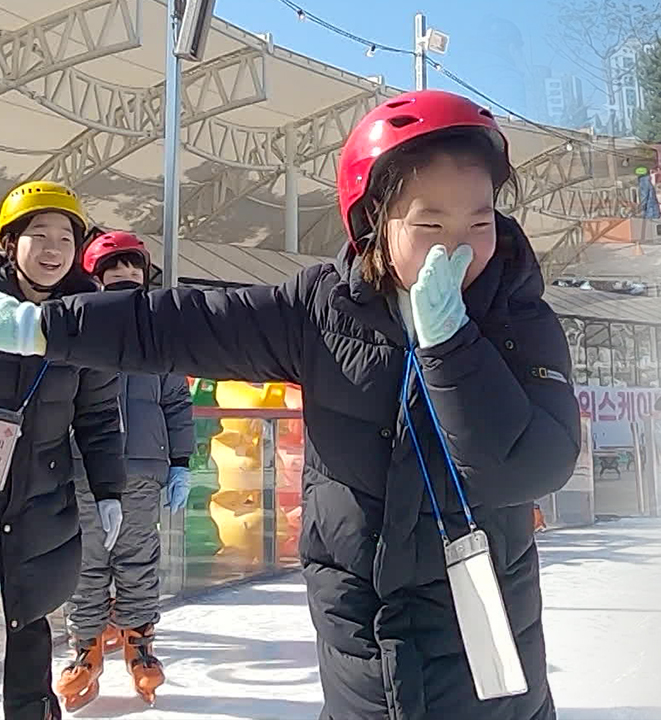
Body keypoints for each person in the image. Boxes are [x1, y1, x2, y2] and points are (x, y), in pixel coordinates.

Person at [0, 90, 580, 720]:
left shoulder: (518, 318)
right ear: (373, 224)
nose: (459, 248)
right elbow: (179, 324)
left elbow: (532, 467)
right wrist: (46, 327)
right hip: (360, 628)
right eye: (430, 224)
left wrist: (453, 345)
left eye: (480, 220)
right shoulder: (320, 312)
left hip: (482, 636)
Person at [0, 181, 125, 719]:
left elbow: (97, 416)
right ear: (10, 244)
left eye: (65, 239)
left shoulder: (85, 319)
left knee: (26, 625)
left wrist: (109, 490)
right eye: (38, 235)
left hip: (38, 498)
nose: (52, 250)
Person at [56, 231, 194, 710]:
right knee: (88, 561)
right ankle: (86, 644)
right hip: (86, 469)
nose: (125, 275)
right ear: (95, 277)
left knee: (137, 559)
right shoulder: (79, 330)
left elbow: (176, 400)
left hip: (141, 467)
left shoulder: (159, 335)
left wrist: (180, 461)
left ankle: (139, 640)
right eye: (115, 268)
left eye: (133, 267)